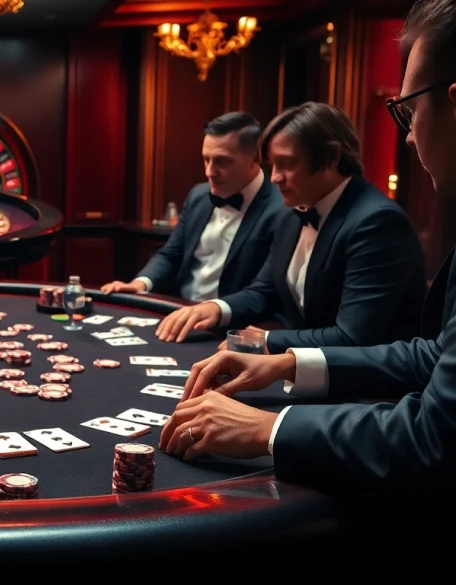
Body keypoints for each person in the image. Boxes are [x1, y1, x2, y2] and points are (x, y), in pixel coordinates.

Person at [157, 0, 456, 495]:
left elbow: (434, 437)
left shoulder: (375, 220)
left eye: (408, 110)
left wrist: (266, 428)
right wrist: (286, 363)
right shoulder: (294, 214)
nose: (407, 137)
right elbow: (432, 355)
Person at [152, 102, 426, 354]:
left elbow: (353, 337)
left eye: (287, 164)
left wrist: (266, 341)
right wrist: (216, 307)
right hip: (308, 369)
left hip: (374, 392)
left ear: (331, 157)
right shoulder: (291, 212)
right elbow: (264, 290)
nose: (275, 178)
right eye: (272, 165)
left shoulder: (377, 223)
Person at [101, 112, 283, 301]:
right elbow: (171, 254)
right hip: (179, 309)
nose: (209, 171)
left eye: (222, 161)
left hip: (232, 321)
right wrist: (140, 284)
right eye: (206, 159)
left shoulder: (281, 209)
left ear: (256, 158)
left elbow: (266, 290)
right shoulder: (198, 196)